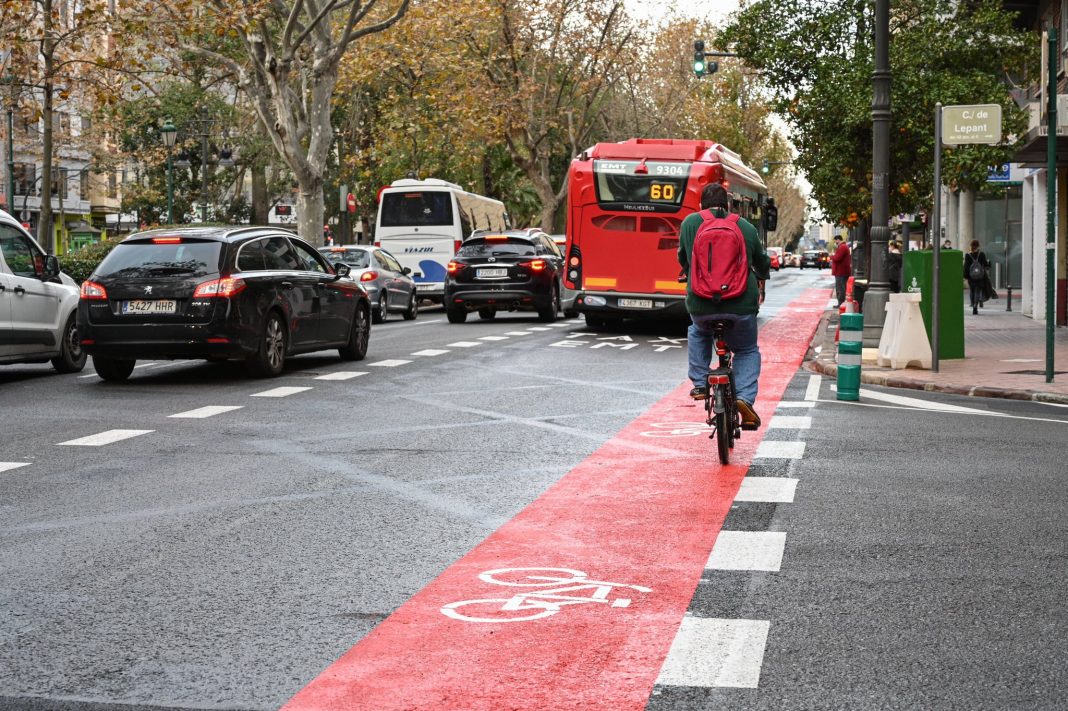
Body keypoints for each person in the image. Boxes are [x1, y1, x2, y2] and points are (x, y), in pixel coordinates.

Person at [678, 183, 770, 429]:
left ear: (701, 205)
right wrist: (763, 274)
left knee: (698, 331)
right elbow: (761, 261)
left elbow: (683, 258)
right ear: (729, 204)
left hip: (701, 303)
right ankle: (744, 398)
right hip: (740, 306)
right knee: (747, 349)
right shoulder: (746, 227)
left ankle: (699, 383)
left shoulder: (689, 223)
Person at [964, 239, 989, 315]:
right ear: (978, 246)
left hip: (971, 277)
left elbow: (966, 267)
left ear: (971, 246)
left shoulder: (968, 255)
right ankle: (975, 306)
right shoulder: (981, 254)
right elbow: (985, 264)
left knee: (972, 290)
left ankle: (972, 303)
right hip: (979, 276)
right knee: (977, 291)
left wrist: (966, 276)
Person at [830, 235, 852, 305]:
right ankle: (840, 303)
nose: (835, 242)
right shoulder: (843, 246)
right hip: (841, 271)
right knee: (840, 287)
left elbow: (837, 258)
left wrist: (832, 256)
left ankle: (841, 303)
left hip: (841, 272)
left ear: (838, 240)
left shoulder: (842, 247)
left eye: (835, 240)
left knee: (840, 288)